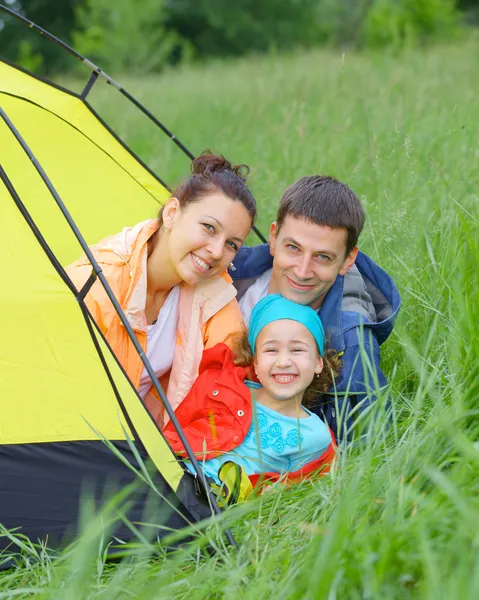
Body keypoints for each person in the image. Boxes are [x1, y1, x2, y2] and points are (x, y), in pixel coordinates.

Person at [67, 151, 256, 426]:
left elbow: (230, 377)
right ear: (171, 213)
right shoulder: (97, 283)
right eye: (208, 227)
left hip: (143, 445)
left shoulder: (213, 292)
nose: (216, 252)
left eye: (232, 244)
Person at [230, 176, 401, 441]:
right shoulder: (226, 275)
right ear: (274, 238)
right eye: (293, 248)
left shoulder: (353, 346)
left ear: (347, 260)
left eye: (323, 257)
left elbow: (371, 448)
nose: (302, 271)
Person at [164, 295, 337, 495]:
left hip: (210, 502)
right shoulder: (224, 387)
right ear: (255, 362)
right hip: (172, 470)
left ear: (318, 362)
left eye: (297, 350)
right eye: (271, 350)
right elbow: (177, 428)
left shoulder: (314, 436)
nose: (283, 362)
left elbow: (297, 492)